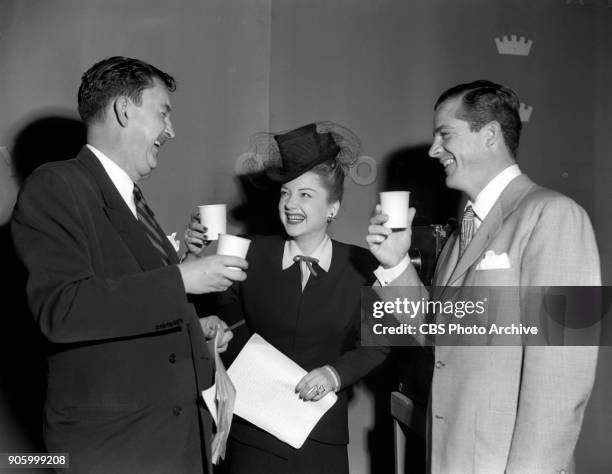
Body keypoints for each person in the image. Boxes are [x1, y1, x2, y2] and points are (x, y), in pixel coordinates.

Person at [11, 56, 248, 474]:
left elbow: (133, 297)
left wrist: (193, 326)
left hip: (171, 444)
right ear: (124, 110)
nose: (170, 131)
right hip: (115, 449)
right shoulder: (57, 184)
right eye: (163, 114)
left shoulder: (134, 201)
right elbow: (62, 308)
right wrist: (182, 278)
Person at [366, 80, 600, 473]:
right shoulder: (462, 234)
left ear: (489, 134)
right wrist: (394, 264)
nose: (433, 150)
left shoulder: (556, 215)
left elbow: (563, 380)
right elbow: (437, 333)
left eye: (445, 134)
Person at [184, 122, 389, 474]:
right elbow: (223, 323)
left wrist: (333, 374)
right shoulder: (248, 254)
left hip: (320, 437)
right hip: (254, 434)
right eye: (285, 193)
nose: (291, 204)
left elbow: (378, 343)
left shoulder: (363, 266)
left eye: (306, 195)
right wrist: (191, 258)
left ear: (333, 208)